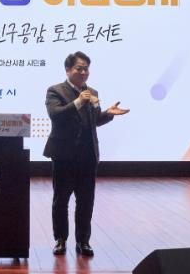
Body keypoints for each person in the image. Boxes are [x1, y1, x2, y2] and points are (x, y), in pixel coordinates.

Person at [43, 51, 129, 256]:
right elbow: (56, 115)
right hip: (64, 156)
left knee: (86, 201)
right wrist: (78, 102)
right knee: (61, 201)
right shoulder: (55, 91)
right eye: (79, 68)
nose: (83, 72)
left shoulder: (92, 92)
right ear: (68, 70)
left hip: (88, 156)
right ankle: (60, 240)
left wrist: (108, 114)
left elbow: (95, 120)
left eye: (86, 69)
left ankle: (83, 241)